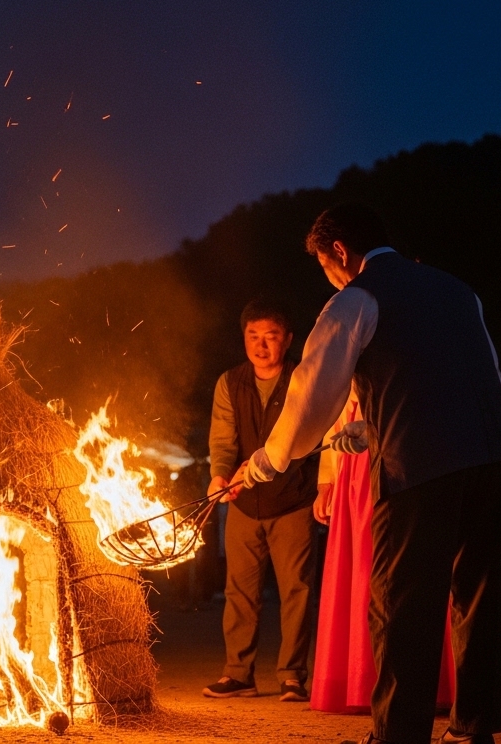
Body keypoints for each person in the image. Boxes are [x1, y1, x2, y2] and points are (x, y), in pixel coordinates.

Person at [234, 204, 501, 744]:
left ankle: (398, 735)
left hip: (418, 464)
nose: (329, 276)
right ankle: (473, 728)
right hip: (491, 454)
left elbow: (312, 395)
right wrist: (372, 425)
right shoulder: (459, 291)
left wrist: (266, 461)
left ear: (339, 251)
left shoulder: (356, 298)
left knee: (402, 599)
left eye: (325, 266)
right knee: (477, 594)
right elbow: (487, 375)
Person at [311, 395, 501, 716]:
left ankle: (432, 700)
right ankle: (398, 689)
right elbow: (333, 402)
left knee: (429, 569)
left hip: (415, 438)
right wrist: (326, 479)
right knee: (386, 569)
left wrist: (277, 457)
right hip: (369, 447)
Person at [201, 300, 320, 702]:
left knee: (296, 591)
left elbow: (312, 438)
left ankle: (292, 676)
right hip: (243, 503)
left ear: (288, 339)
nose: (261, 345)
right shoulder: (230, 383)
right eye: (253, 336)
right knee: (239, 591)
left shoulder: (303, 380)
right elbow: (223, 438)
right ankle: (238, 674)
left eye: (271, 336)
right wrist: (219, 475)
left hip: (294, 501)